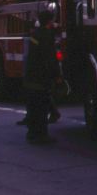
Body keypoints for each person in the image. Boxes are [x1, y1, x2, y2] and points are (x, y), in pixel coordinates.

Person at [23, 8, 61, 144]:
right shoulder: (47, 36)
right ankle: (42, 135)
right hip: (41, 77)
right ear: (49, 21)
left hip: (31, 76)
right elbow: (50, 57)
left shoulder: (35, 34)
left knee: (33, 106)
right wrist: (57, 75)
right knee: (42, 107)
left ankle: (32, 133)